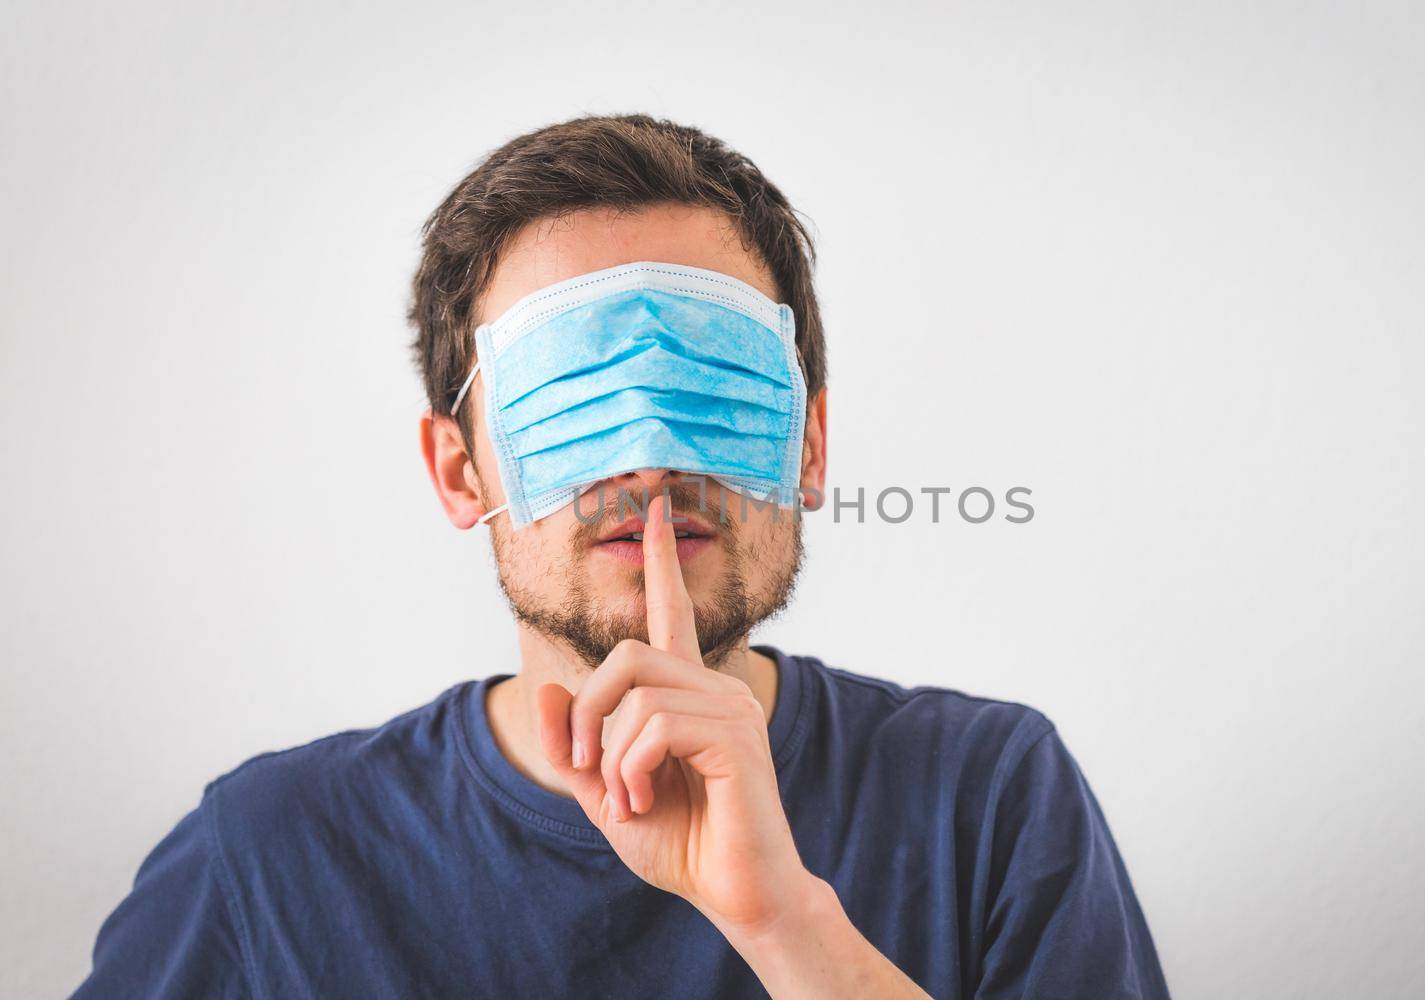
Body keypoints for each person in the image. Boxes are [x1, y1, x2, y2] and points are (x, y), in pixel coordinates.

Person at [73, 113, 1169, 999]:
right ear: (461, 471)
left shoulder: (988, 796)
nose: (649, 460)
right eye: (572, 394)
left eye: (715, 381)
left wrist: (789, 928)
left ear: (810, 446)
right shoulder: (268, 857)